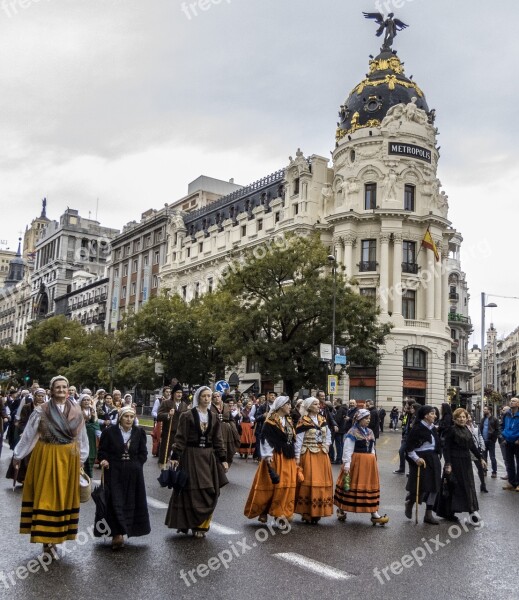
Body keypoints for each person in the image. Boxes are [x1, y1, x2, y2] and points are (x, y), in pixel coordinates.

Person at [12, 376, 89, 553]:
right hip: (47, 454)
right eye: (58, 387)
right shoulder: (42, 410)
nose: (61, 390)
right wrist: (18, 455)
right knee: (47, 496)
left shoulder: (77, 411)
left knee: (63, 498)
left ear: (68, 390)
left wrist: (82, 458)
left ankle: (58, 535)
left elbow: (81, 437)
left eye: (64, 387)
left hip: (69, 456)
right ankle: (46, 537)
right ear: (52, 390)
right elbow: (29, 435)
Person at [165, 386, 229, 538]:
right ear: (198, 398)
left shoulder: (213, 416)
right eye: (204, 396)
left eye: (209, 396)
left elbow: (218, 440)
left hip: (208, 456)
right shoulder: (187, 416)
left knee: (209, 490)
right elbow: (180, 437)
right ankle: (191, 523)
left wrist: (223, 459)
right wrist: (175, 456)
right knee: (191, 490)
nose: (207, 399)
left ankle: (202, 524)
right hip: (191, 456)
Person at [98, 404, 151, 549]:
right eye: (126, 417)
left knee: (131, 501)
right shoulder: (109, 432)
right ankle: (117, 534)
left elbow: (143, 453)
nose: (128, 419)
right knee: (115, 501)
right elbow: (102, 451)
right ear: (120, 418)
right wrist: (104, 460)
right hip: (114, 470)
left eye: (131, 417)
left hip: (134, 473)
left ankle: (128, 529)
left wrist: (138, 464)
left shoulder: (139, 432)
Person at [244, 395, 297, 523]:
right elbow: (265, 438)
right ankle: (263, 510)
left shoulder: (289, 421)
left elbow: (292, 439)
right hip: (275, 456)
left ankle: (281, 511)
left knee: (286, 485)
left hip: (288, 456)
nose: (290, 407)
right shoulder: (271, 421)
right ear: (281, 406)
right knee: (270, 486)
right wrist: (267, 455)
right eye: (288, 404)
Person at [334, 408, 388, 526]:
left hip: (369, 463)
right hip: (356, 463)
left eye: (369, 418)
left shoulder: (370, 432)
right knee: (350, 485)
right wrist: (347, 464)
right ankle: (342, 509)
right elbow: (348, 449)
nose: (368, 420)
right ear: (359, 419)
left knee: (369, 487)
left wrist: (374, 459)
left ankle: (374, 513)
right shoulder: (352, 432)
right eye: (365, 418)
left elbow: (373, 447)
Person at [441, 408, 486, 524]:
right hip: (454, 462)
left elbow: (472, 446)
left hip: (465, 462)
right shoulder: (451, 430)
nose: (462, 419)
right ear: (455, 419)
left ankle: (472, 511)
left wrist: (481, 458)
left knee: (468, 486)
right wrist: (448, 464)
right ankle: (449, 513)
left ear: (467, 418)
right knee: (454, 486)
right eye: (459, 417)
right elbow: (446, 448)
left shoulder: (466, 429)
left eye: (464, 417)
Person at [294, 397, 333, 524]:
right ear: (309, 407)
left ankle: (318, 510)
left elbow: (328, 434)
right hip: (309, 454)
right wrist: (297, 457)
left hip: (322, 455)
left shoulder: (322, 419)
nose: (318, 406)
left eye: (318, 404)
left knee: (321, 482)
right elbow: (299, 440)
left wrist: (327, 445)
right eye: (315, 404)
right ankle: (306, 511)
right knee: (309, 482)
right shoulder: (303, 421)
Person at [404, 405, 442, 524]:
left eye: (435, 413)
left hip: (433, 458)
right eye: (432, 413)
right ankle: (410, 502)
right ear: (425, 415)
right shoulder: (417, 429)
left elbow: (437, 443)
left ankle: (428, 514)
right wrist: (416, 459)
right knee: (421, 487)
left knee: (435, 486)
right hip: (421, 459)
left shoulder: (432, 428)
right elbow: (408, 448)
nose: (435, 416)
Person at [7, 389, 46, 485]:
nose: (40, 398)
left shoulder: (47, 407)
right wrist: (25, 431)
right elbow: (22, 422)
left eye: (42, 396)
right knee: (26, 456)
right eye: (38, 396)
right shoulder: (27, 407)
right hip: (28, 435)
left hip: (42, 436)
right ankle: (24, 478)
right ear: (34, 396)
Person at [157, 384, 189, 468]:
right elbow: (159, 416)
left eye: (181, 393)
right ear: (173, 393)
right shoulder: (166, 402)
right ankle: (163, 471)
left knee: (178, 456)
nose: (179, 394)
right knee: (164, 455)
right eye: (177, 392)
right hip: (168, 433)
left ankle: (176, 474)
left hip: (180, 434)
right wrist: (168, 414)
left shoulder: (184, 405)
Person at [211, 391, 241, 466]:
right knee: (218, 449)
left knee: (229, 450)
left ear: (221, 397)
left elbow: (231, 419)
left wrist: (231, 426)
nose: (217, 398)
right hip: (216, 431)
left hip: (227, 431)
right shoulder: (210, 407)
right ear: (212, 399)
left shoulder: (226, 406)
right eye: (214, 397)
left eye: (218, 396)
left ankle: (226, 464)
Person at [394, 401, 418, 474]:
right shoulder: (408, 414)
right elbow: (404, 422)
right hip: (405, 435)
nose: (405, 406)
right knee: (405, 453)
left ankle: (410, 470)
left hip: (408, 437)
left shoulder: (413, 415)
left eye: (407, 404)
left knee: (404, 452)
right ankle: (403, 469)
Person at [80, 393, 100, 478]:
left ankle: (89, 478)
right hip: (81, 436)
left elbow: (96, 424)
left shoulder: (92, 411)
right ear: (81, 402)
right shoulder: (78, 411)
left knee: (91, 455)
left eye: (88, 400)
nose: (86, 401)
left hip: (91, 437)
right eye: (84, 400)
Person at [501, 397, 519, 490]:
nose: (511, 402)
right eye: (511, 401)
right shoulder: (507, 414)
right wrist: (503, 437)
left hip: (517, 442)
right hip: (508, 441)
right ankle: (512, 483)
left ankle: (518, 483)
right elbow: (502, 426)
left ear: (518, 404)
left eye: (514, 401)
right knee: (510, 463)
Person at [466, 414, 487, 493]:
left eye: (469, 417)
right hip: (467, 450)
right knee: (467, 468)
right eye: (467, 417)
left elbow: (480, 436)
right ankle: (468, 486)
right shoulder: (463, 427)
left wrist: (482, 446)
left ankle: (483, 484)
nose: (468, 419)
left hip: (475, 449)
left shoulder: (475, 426)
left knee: (480, 467)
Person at [479, 405, 499, 479]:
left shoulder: (494, 419)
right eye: (484, 409)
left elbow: (497, 430)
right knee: (484, 457)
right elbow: (480, 429)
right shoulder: (483, 419)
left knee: (492, 457)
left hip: (490, 441)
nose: (484, 410)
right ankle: (484, 470)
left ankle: (494, 472)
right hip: (483, 440)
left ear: (489, 410)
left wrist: (494, 439)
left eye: (485, 409)